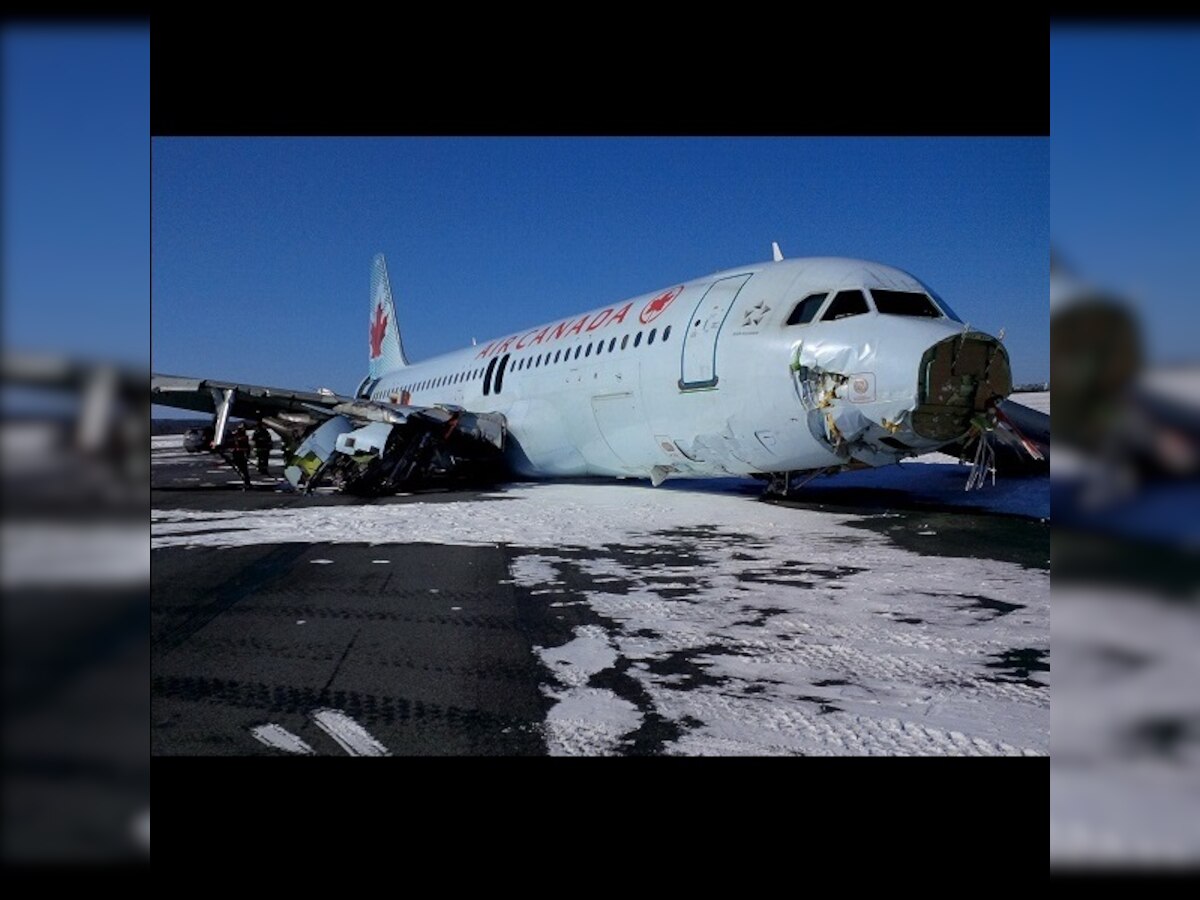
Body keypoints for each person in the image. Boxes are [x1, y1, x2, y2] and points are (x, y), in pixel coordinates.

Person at [218, 423, 252, 489]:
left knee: (243, 469)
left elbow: (246, 446)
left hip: (240, 454)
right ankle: (246, 481)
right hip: (237, 454)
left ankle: (246, 481)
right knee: (241, 469)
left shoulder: (243, 437)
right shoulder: (236, 436)